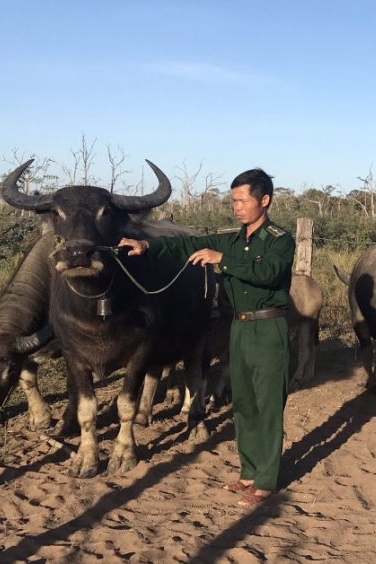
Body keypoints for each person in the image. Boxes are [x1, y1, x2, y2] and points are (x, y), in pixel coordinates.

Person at [120, 168, 294, 506]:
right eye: (234, 201)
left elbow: (268, 273)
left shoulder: (279, 240)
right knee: (243, 403)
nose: (237, 207)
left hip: (268, 327)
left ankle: (266, 481)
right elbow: (186, 243)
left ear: (265, 200)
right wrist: (146, 245)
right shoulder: (230, 236)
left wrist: (222, 262)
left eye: (243, 200)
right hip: (239, 327)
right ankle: (248, 472)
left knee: (268, 405)